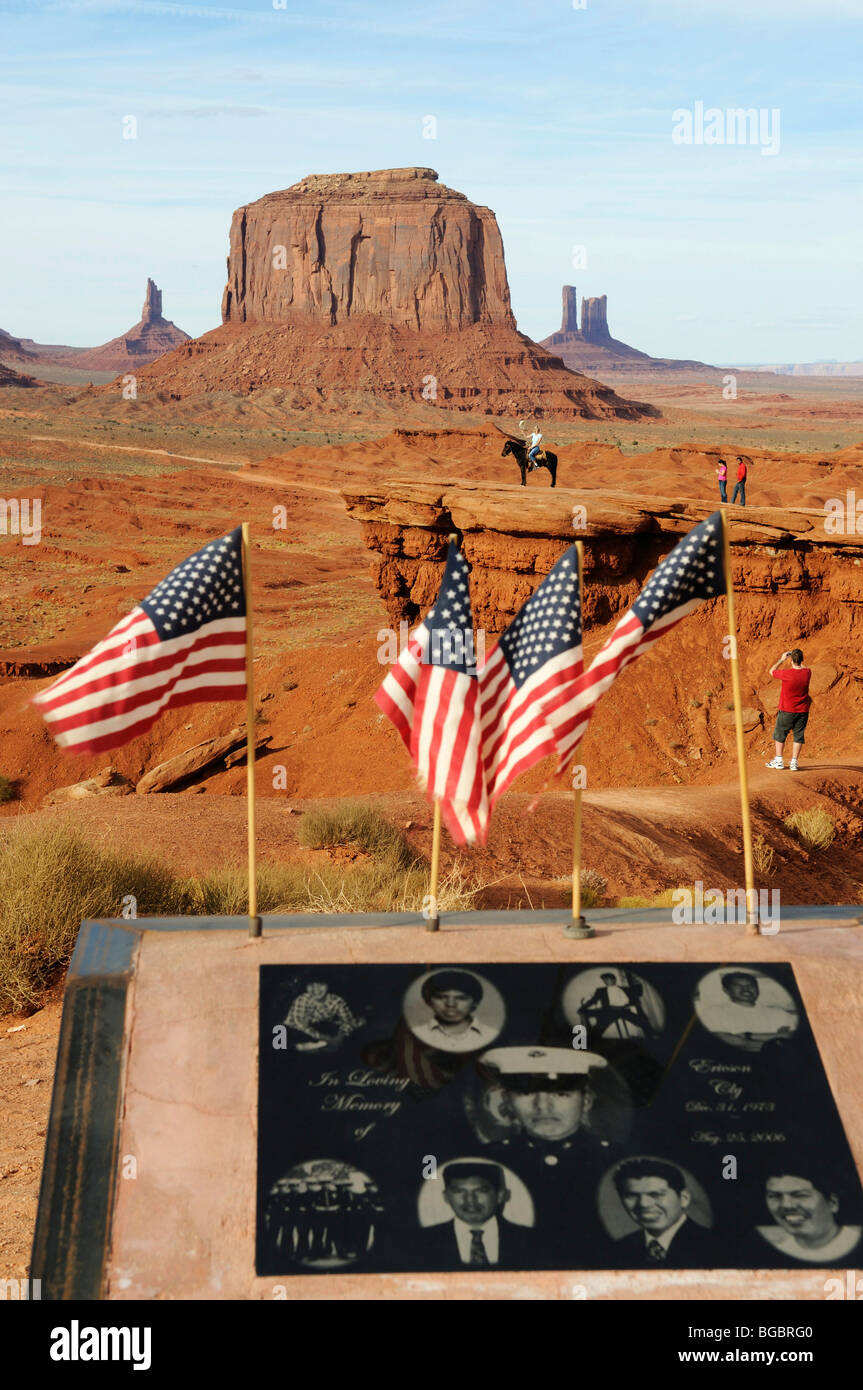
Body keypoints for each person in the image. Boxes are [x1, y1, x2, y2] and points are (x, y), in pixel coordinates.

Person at [421, 1161, 535, 1269]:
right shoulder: (422, 1243)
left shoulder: (531, 1241)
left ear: (500, 1195)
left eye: (481, 1191)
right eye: (459, 1191)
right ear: (446, 1197)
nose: (470, 1200)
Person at [611, 1158, 718, 1266]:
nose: (643, 1204)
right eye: (631, 1195)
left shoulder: (716, 1246)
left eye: (655, 1195)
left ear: (684, 1198)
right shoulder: (616, 1250)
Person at [755, 1167, 862, 1264]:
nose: (786, 1205)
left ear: (832, 1203)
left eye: (800, 1195)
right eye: (775, 1196)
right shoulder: (766, 1255)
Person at [697, 970, 797, 1051]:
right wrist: (774, 1041)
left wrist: (747, 1035)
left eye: (751, 985)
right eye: (738, 985)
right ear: (726, 990)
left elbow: (790, 1036)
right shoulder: (712, 1013)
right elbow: (726, 1040)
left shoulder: (779, 1014)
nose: (746, 989)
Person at [411, 970, 499, 1052]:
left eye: (461, 998)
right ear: (429, 1001)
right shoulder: (414, 1035)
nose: (450, 1004)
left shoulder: (492, 1035)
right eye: (441, 997)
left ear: (475, 1002)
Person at [766, 648, 812, 771]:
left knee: (780, 734)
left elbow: (772, 671)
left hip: (787, 710)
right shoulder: (807, 672)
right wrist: (798, 660)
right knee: (798, 735)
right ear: (802, 660)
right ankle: (794, 763)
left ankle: (779, 760)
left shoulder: (787, 674)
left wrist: (782, 659)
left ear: (791, 660)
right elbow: (804, 667)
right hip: (802, 711)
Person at [283, 980, 364, 1049]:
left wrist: (340, 1037)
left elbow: (348, 1021)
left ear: (328, 985)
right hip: (295, 1030)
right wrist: (323, 1037)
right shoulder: (302, 999)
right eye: (311, 985)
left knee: (352, 1031)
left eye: (321, 984)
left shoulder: (336, 1000)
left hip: (318, 1028)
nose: (316, 989)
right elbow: (300, 1024)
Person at [580, 971, 656, 1040]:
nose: (605, 981)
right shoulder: (601, 990)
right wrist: (583, 1008)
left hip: (623, 1010)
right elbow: (593, 1000)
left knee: (643, 1021)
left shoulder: (625, 989)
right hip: (610, 1011)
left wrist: (637, 982)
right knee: (599, 1028)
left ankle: (652, 1036)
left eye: (607, 979)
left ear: (614, 980)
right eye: (604, 980)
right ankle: (590, 1041)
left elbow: (639, 992)